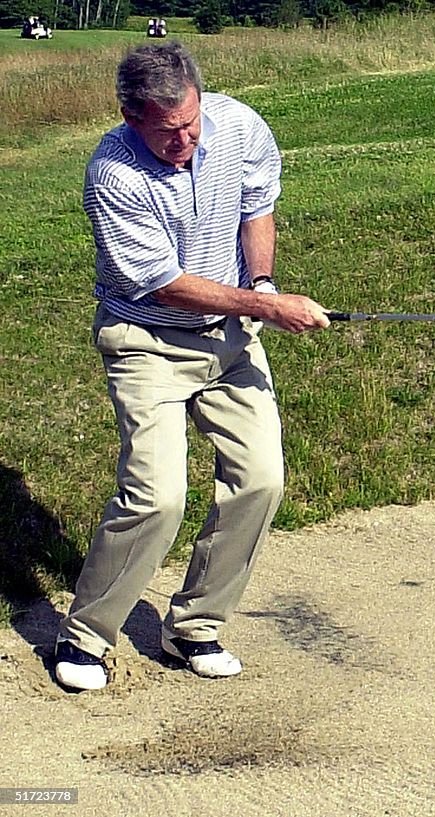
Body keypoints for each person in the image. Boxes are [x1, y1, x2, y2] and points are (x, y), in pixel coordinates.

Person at [54, 40, 330, 691]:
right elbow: (164, 284)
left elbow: (255, 208)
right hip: (147, 340)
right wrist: (269, 305)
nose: (183, 140)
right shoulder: (113, 175)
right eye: (166, 131)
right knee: (157, 496)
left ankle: (196, 625)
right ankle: (87, 637)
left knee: (261, 479)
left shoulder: (238, 126)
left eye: (191, 124)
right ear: (130, 118)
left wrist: (262, 285)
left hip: (230, 340)